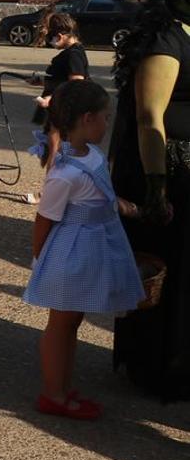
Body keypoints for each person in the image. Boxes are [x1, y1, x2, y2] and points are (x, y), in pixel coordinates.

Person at [22, 80, 143, 419]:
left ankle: (61, 386)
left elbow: (99, 192)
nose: (108, 123)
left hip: (93, 246)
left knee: (71, 321)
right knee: (60, 324)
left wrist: (119, 205)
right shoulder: (63, 174)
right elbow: (44, 219)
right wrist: (40, 261)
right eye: (106, 116)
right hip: (71, 254)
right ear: (88, 119)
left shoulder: (92, 154)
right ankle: (53, 394)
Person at [110, 0, 190, 400]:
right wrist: (158, 188)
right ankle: (156, 368)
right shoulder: (165, 39)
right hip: (167, 172)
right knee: (164, 271)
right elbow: (148, 117)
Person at [22, 12, 88, 204]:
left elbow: (76, 83)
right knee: (53, 150)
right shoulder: (72, 52)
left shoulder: (74, 54)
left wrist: (51, 99)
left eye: (51, 37)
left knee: (55, 150)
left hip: (64, 110)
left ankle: (49, 195)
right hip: (60, 107)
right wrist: (41, 80)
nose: (50, 42)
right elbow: (62, 79)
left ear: (59, 35)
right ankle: (60, 192)